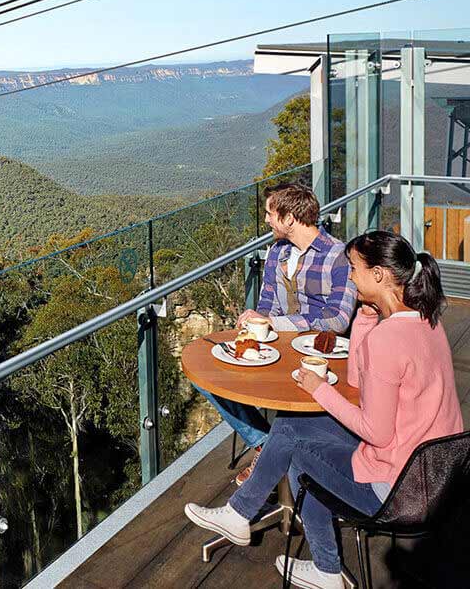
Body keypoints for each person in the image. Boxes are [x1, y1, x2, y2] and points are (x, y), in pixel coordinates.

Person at [185, 231, 462, 589]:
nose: (349, 276)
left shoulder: (388, 339)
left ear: (378, 275)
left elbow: (374, 430)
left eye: (353, 268)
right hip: (434, 475)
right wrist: (363, 320)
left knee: (298, 455)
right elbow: (363, 385)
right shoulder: (427, 320)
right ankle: (242, 515)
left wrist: (321, 390)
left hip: (397, 490)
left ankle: (324, 568)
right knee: (291, 425)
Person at [199, 183, 358, 485]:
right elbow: (266, 305)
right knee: (210, 377)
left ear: (289, 219)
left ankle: (271, 453)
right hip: (278, 351)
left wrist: (277, 324)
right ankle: (266, 443)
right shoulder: (277, 253)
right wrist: (252, 327)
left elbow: (337, 319)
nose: (267, 220)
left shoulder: (337, 256)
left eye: (271, 213)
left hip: (319, 359)